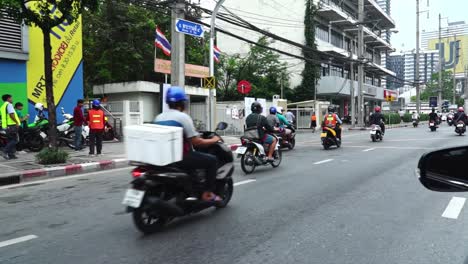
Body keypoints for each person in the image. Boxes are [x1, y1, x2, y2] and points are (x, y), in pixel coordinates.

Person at [155, 86, 222, 202]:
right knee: (212, 160)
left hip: (163, 158)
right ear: (182, 102)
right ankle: (208, 193)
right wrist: (214, 140)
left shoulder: (159, 117)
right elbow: (197, 142)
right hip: (180, 157)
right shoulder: (183, 117)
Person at [1, 94, 20, 160]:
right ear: (8, 99)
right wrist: (16, 122)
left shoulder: (3, 106)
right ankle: (5, 151)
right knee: (15, 140)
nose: (12, 99)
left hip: (6, 126)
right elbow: (11, 114)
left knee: (10, 140)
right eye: (11, 98)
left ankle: (11, 155)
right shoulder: (9, 105)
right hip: (11, 125)